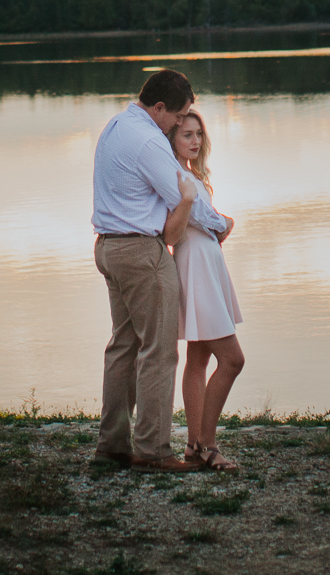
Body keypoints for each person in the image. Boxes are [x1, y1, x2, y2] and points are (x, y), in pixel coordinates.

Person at [90, 67, 224, 472]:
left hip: (109, 248)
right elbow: (185, 197)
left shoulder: (116, 126)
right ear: (160, 107)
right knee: (160, 351)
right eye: (179, 116)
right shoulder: (149, 141)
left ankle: (112, 446)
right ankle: (153, 450)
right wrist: (222, 224)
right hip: (140, 253)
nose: (181, 124)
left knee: (124, 347)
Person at [170, 109, 244, 471]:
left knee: (198, 358)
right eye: (186, 135)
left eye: (198, 134)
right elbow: (202, 217)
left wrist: (219, 226)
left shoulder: (193, 174)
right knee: (233, 359)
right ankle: (208, 444)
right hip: (196, 263)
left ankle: (193, 446)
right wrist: (227, 222)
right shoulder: (178, 174)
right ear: (172, 138)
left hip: (203, 261)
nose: (195, 141)